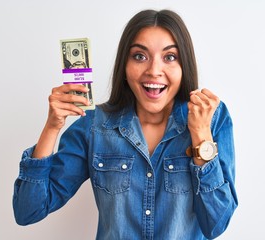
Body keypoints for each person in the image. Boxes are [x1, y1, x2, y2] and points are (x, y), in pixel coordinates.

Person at [13, 9, 238, 239]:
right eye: (140, 56)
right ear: (125, 65)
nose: (154, 71)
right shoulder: (94, 126)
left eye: (170, 57)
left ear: (184, 65)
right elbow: (28, 211)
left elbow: (216, 223)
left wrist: (201, 136)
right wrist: (51, 127)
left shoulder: (212, 118)